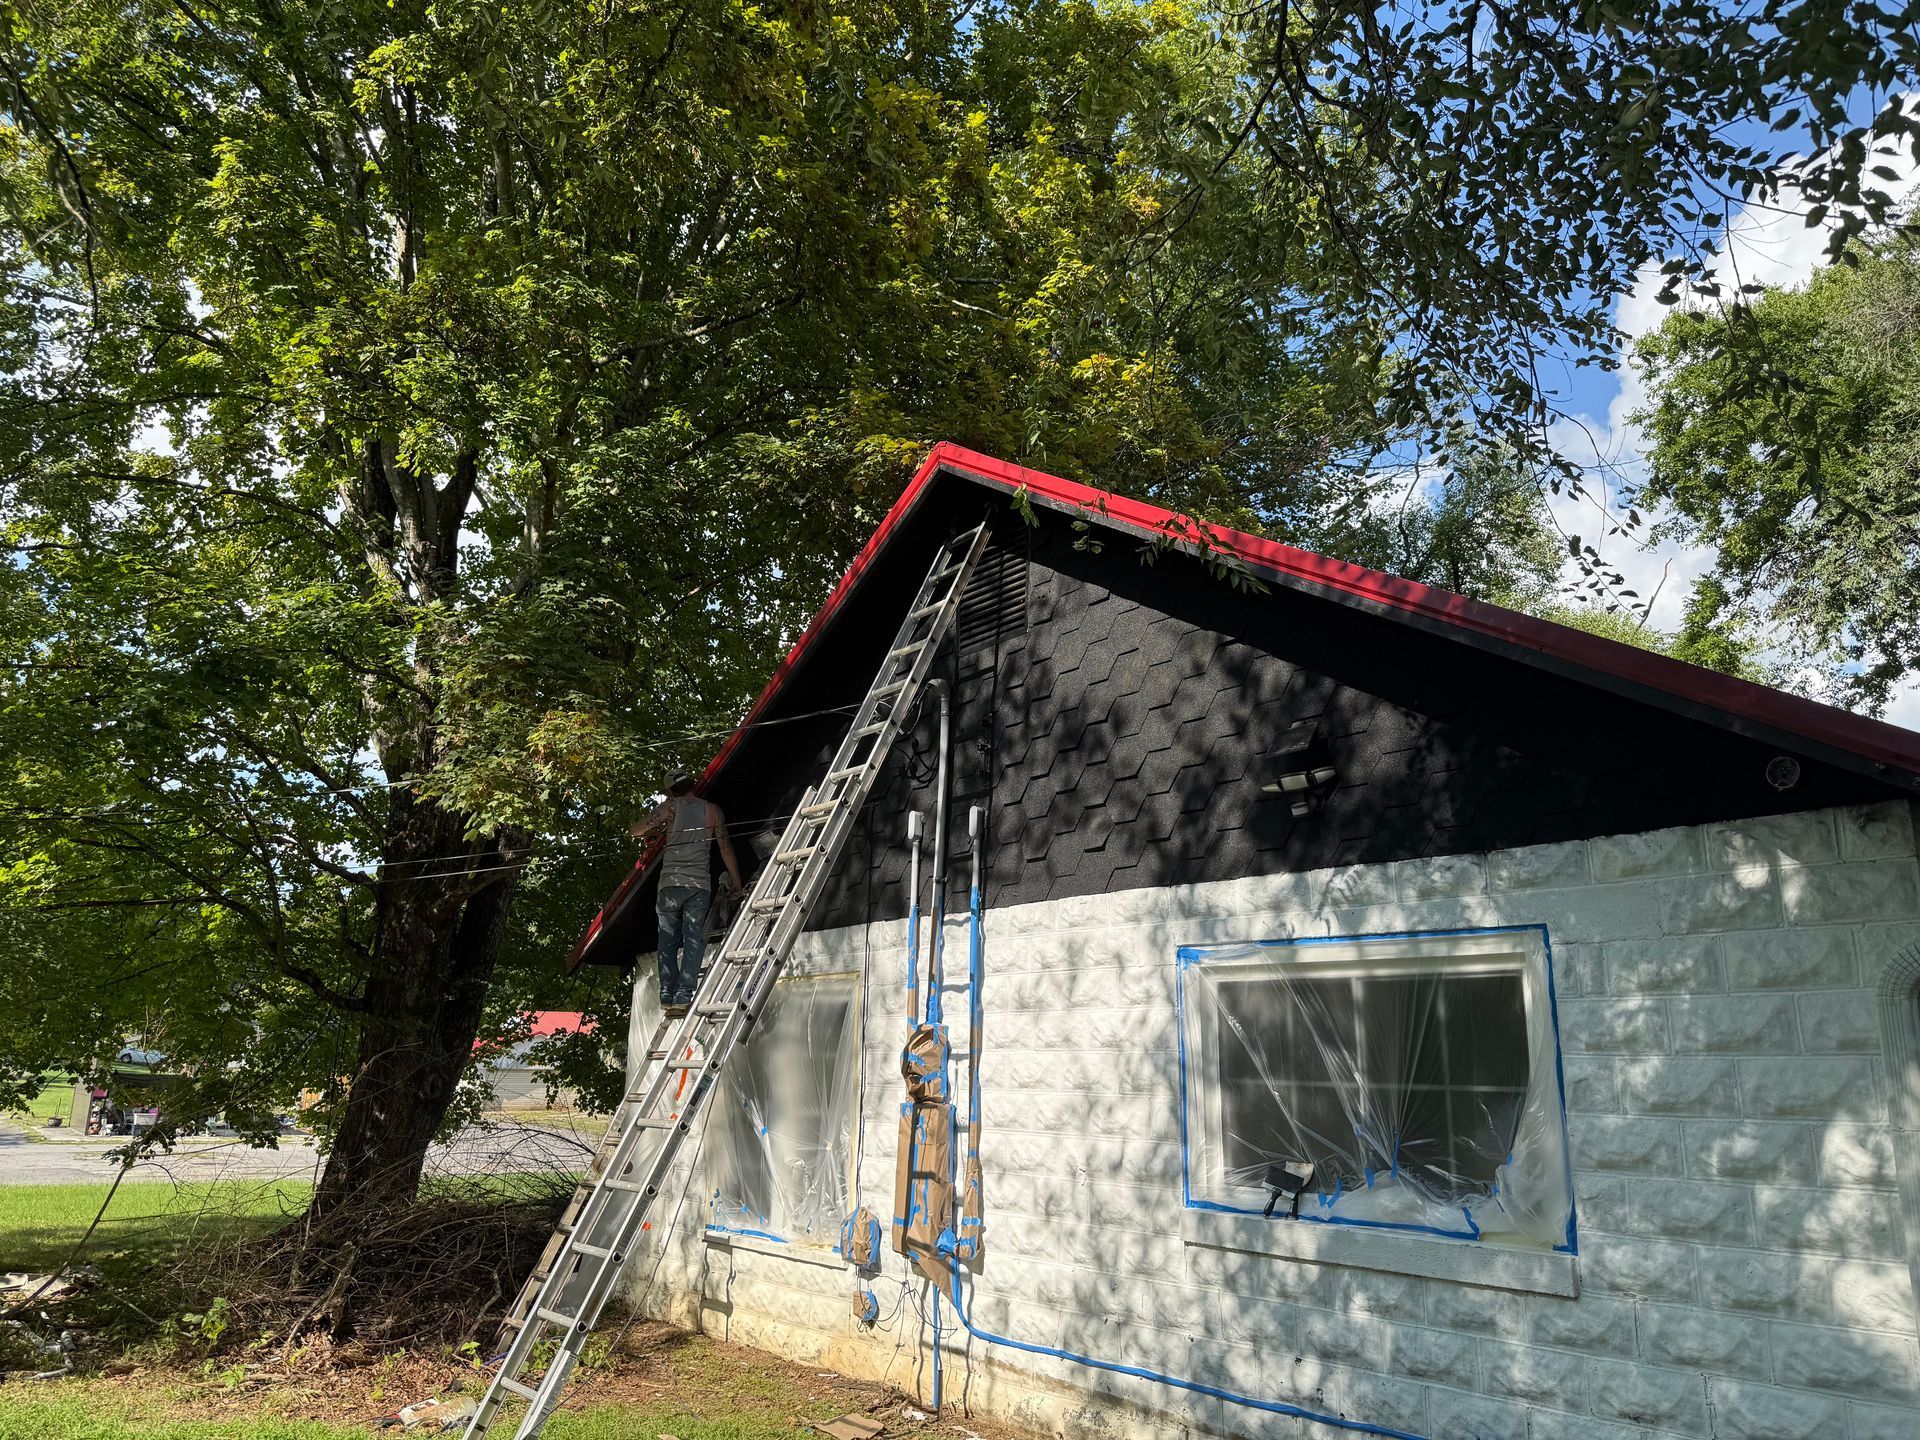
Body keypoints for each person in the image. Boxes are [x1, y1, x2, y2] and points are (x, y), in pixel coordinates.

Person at [633, 774, 742, 1017]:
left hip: (670, 884)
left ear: (672, 791)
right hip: (699, 886)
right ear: (692, 785)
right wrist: (736, 881)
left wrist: (658, 829)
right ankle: (683, 995)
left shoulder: (670, 807)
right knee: (693, 940)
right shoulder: (713, 811)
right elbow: (725, 847)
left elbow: (637, 830)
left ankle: (667, 994)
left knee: (667, 941)